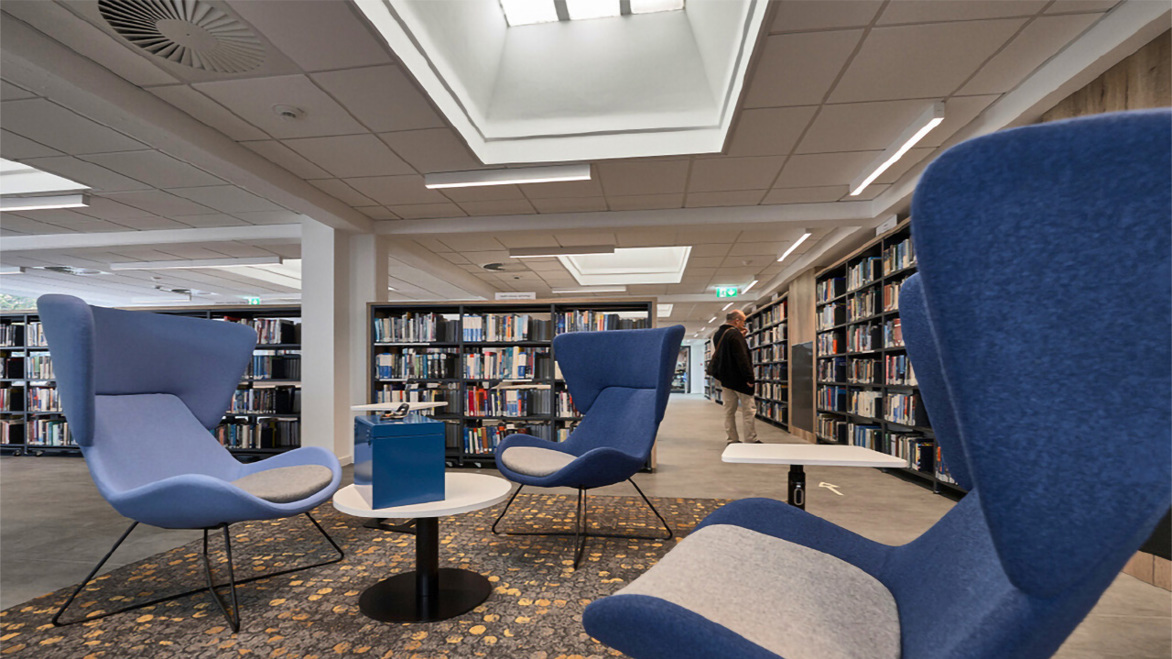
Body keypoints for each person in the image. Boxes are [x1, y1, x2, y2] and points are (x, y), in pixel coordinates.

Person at [711, 309, 758, 445]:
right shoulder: (734, 334)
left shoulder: (718, 334)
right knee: (749, 411)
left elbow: (727, 353)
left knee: (729, 411)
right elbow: (741, 357)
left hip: (726, 379)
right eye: (743, 321)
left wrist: (741, 337)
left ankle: (732, 439)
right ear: (737, 321)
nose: (743, 324)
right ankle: (751, 439)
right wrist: (749, 378)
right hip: (740, 380)